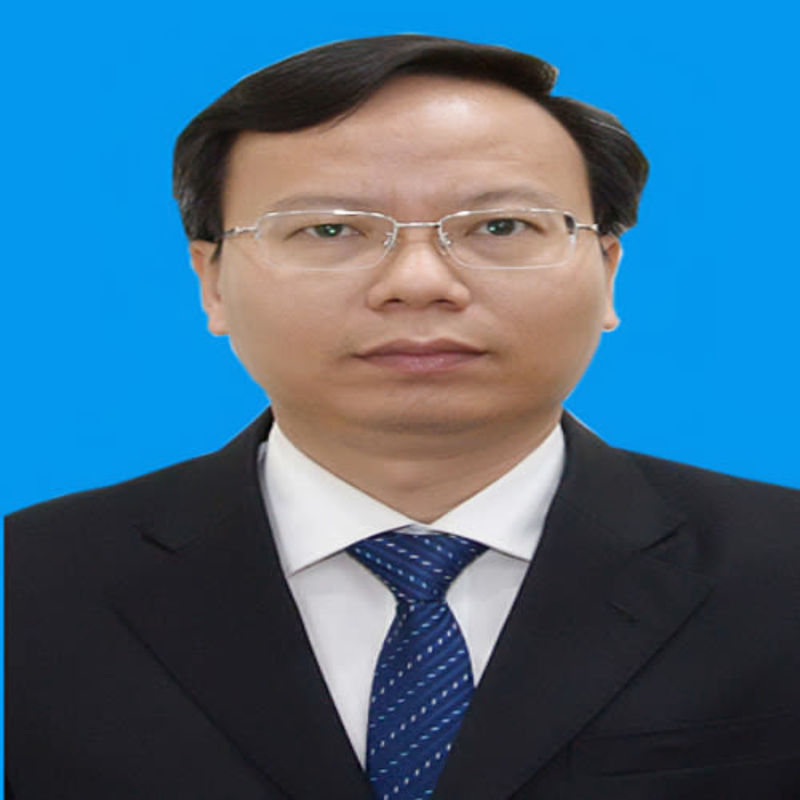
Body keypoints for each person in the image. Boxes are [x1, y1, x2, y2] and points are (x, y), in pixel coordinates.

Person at [5, 34, 800, 800]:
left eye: (500, 227)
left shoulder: (780, 568)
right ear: (211, 281)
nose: (418, 284)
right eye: (329, 229)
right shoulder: (28, 585)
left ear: (607, 267)